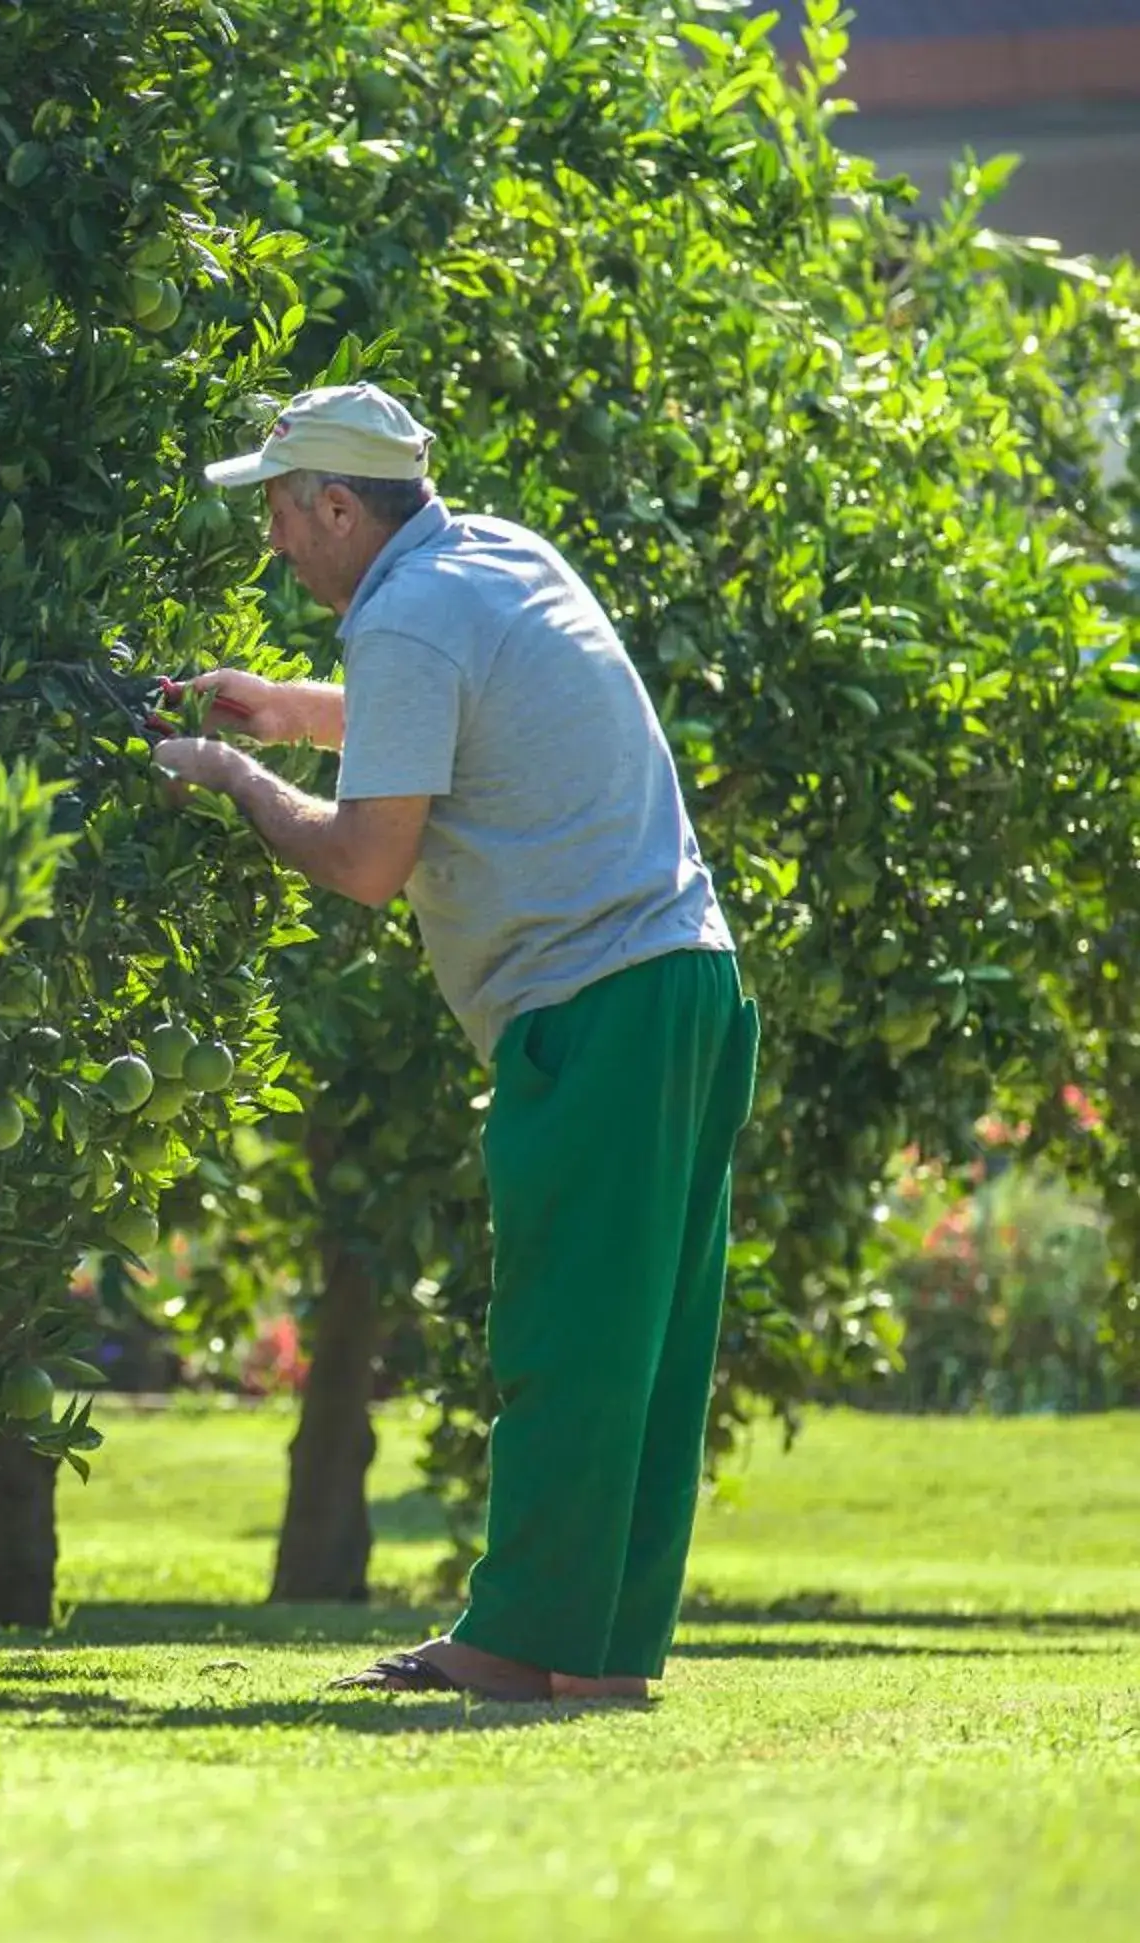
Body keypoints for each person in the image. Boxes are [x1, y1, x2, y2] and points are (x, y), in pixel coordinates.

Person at [152, 383, 760, 1702]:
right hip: (688, 991)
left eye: (279, 512)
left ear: (334, 503)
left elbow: (369, 861)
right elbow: (443, 716)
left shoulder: (408, 616)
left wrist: (237, 779)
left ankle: (510, 1646)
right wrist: (282, 709)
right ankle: (597, 1663)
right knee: (640, 1350)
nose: (274, 543)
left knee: (567, 1338)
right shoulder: (493, 556)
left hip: (595, 1005)